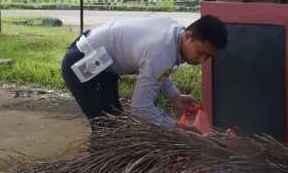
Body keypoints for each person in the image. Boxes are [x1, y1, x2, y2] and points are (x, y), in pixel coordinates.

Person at [60, 15, 228, 129]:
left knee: (115, 124)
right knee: (107, 128)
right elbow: (140, 108)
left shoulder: (174, 30)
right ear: (188, 36)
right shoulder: (161, 51)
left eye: (208, 56)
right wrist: (178, 128)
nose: (202, 60)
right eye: (200, 52)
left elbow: (158, 70)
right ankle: (99, 171)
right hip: (82, 64)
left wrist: (175, 96)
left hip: (100, 64)